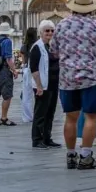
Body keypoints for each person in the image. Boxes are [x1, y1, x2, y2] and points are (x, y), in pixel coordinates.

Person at [50, 0, 96, 170]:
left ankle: (70, 155)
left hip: (67, 78)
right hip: (91, 78)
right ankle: (85, 156)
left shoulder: (61, 25)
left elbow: (54, 51)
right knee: (91, 118)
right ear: (91, 9)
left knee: (70, 118)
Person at [30, 20, 60, 149]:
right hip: (42, 85)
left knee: (50, 112)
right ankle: (37, 139)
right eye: (47, 31)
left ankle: (47, 138)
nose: (50, 33)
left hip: (53, 84)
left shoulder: (50, 46)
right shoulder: (37, 47)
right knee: (40, 113)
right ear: (41, 32)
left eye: (52, 30)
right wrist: (39, 86)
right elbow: (34, 68)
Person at [0, 23, 19, 127]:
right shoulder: (7, 41)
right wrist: (14, 70)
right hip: (3, 70)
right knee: (7, 96)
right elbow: (8, 58)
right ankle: (4, 117)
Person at [21, 27, 39, 123]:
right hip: (37, 70)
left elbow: (23, 61)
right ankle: (38, 114)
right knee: (39, 92)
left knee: (27, 94)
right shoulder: (38, 45)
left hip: (27, 70)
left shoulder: (25, 46)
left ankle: (27, 116)